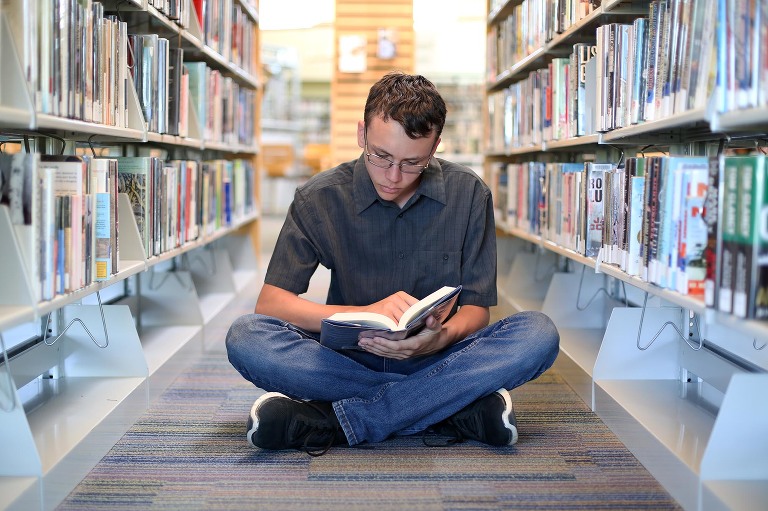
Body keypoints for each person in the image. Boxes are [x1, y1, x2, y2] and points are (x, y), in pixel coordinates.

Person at [226, 72, 559, 455]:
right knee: (247, 337)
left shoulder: (469, 194)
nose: (393, 177)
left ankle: (332, 421)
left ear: (435, 148)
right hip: (345, 364)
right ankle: (448, 409)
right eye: (381, 156)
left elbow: (477, 311)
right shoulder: (319, 197)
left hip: (439, 358)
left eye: (413, 163)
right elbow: (270, 303)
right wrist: (362, 312)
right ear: (361, 134)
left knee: (538, 333)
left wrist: (439, 339)